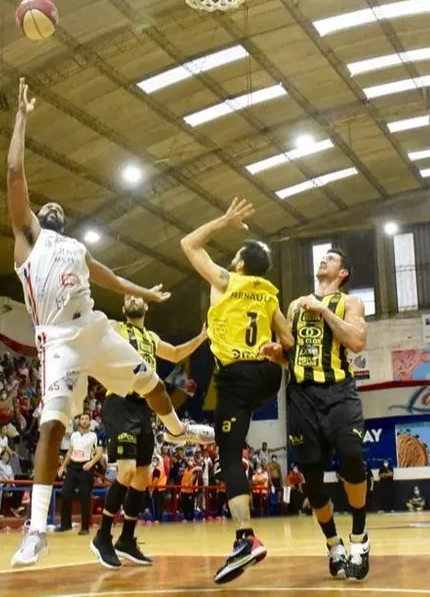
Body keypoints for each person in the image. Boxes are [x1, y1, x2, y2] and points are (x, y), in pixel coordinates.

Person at [5, 78, 213, 568]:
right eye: (46, 206)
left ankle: (177, 430)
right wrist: (21, 117)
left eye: (60, 208)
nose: (53, 208)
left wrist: (147, 293)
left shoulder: (76, 248)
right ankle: (36, 530)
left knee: (151, 380)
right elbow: (15, 171)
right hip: (58, 339)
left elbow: (112, 278)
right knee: (52, 427)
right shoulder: (27, 237)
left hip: (97, 327)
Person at [179, 197, 293, 584]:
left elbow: (188, 244)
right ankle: (209, 430)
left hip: (237, 375)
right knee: (231, 435)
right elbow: (288, 340)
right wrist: (279, 351)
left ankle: (245, 539)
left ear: (241, 262)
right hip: (265, 375)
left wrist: (224, 221)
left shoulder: (225, 281)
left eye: (237, 255)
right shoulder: (268, 294)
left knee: (229, 456)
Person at [91, 294, 208, 569]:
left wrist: (202, 337)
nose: (133, 298)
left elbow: (176, 354)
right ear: (123, 307)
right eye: (128, 296)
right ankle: (102, 537)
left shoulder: (151, 337)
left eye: (138, 296)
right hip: (119, 402)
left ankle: (127, 540)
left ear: (146, 306)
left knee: (142, 477)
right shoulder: (116, 327)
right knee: (127, 471)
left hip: (144, 408)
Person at [277, 248, 370, 581]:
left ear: (342, 274)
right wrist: (276, 353)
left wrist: (324, 312)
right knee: (312, 482)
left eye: (331, 259)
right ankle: (334, 544)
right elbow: (290, 354)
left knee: (352, 456)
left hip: (339, 393)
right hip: (301, 396)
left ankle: (360, 535)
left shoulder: (351, 303)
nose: (323, 261)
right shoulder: (295, 306)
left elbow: (357, 341)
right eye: (323, 258)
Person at [58, 413, 102, 536]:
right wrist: (63, 466)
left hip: (86, 467)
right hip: (73, 467)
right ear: (79, 421)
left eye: (86, 419)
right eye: (82, 419)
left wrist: (91, 463)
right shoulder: (74, 436)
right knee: (65, 493)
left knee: (85, 498)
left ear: (90, 421)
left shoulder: (94, 436)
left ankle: (85, 527)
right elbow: (70, 452)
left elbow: (99, 452)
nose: (84, 421)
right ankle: (65, 524)